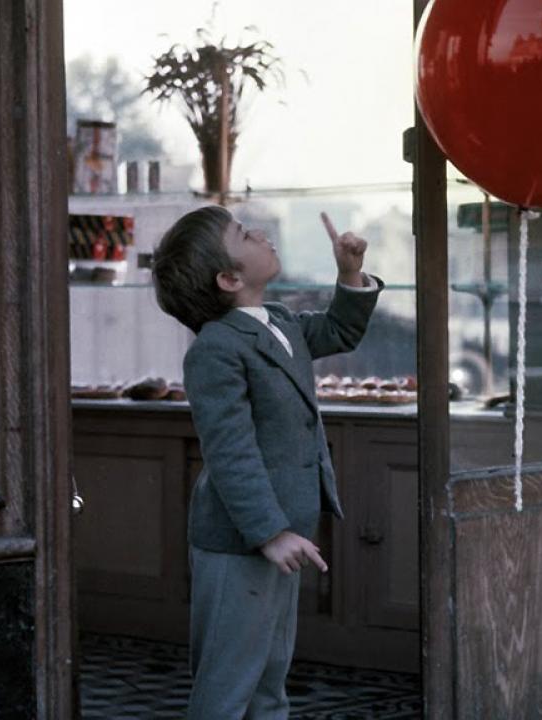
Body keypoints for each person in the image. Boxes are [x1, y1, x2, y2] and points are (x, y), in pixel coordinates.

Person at [151, 204, 382, 719]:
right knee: (228, 685)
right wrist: (269, 533)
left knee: (268, 681)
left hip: (282, 534)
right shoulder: (215, 349)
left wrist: (349, 273)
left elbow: (340, 332)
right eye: (242, 233)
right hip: (244, 540)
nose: (259, 233)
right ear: (229, 278)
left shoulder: (276, 320)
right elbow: (229, 452)